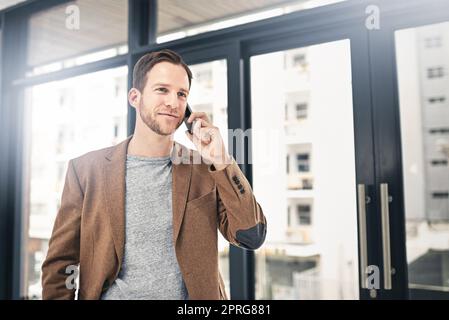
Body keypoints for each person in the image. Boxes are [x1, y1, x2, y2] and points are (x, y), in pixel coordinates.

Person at [41, 49, 267, 300]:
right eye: (162, 90)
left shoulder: (205, 169)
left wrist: (222, 160)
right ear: (134, 97)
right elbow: (60, 263)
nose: (173, 103)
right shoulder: (85, 171)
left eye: (181, 94)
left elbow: (251, 235)